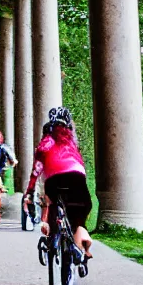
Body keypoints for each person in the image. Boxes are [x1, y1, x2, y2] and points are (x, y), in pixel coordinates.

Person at [24, 107, 93, 258]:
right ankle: (79, 238)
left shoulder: (47, 142)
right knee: (82, 207)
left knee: (53, 203)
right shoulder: (72, 142)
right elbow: (80, 165)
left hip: (54, 179)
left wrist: (29, 191)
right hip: (76, 177)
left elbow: (37, 169)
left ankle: (53, 238)